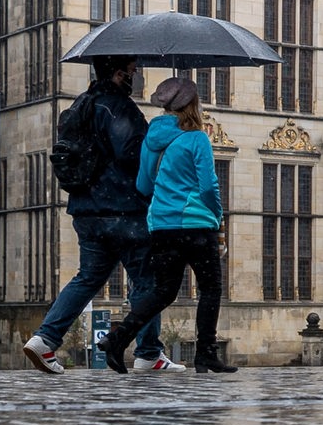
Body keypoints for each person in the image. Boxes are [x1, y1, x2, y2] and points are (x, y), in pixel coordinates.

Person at [23, 57, 182, 374]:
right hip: (123, 211)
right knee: (148, 283)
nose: (135, 78)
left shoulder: (79, 105)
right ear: (119, 73)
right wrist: (155, 139)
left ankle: (45, 339)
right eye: (133, 72)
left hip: (86, 211)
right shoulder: (118, 106)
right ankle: (149, 353)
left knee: (88, 278)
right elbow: (130, 154)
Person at [97, 77, 234, 373]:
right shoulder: (197, 137)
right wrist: (218, 216)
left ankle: (119, 338)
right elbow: (209, 186)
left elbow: (144, 185)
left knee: (163, 291)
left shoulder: (152, 139)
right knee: (211, 288)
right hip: (196, 225)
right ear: (192, 105)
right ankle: (206, 353)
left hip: (161, 226)